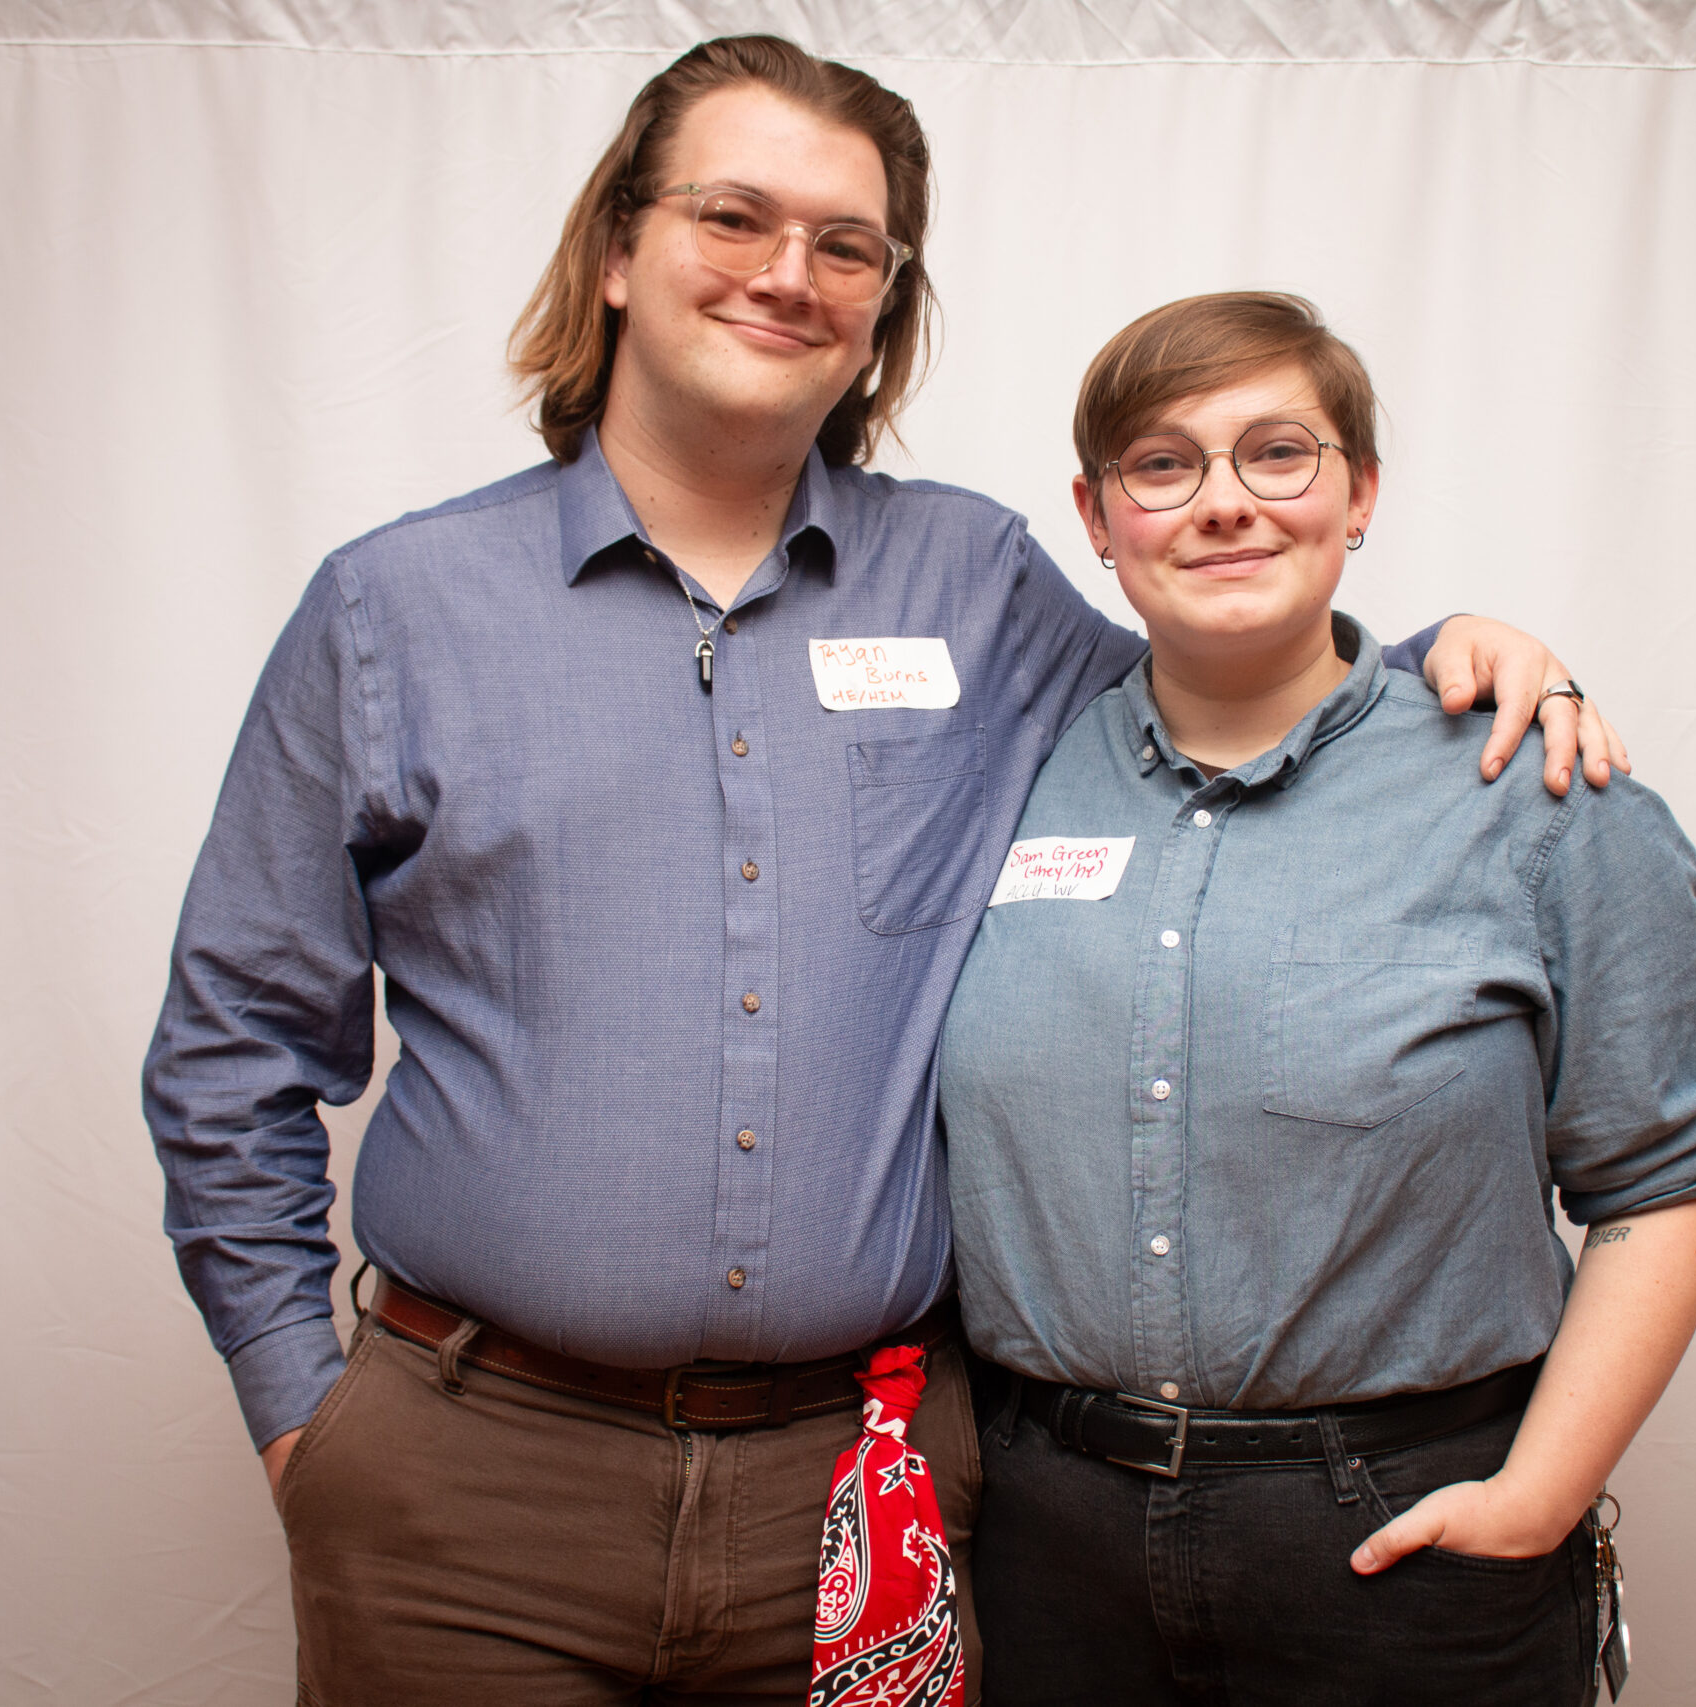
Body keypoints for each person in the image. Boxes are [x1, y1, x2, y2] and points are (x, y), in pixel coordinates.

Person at [142, 38, 1620, 1706]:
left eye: (847, 245)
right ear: (617, 250)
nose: (790, 274)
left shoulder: (974, 584)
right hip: (474, 1486)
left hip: (866, 1488)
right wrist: (304, 1422)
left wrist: (1445, 654)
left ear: (883, 304)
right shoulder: (393, 611)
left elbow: (1226, 680)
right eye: (736, 217)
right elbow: (232, 1052)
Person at [939, 291, 1696, 1705]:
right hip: (1041, 1539)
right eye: (1164, 465)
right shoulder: (996, 772)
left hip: (1401, 1540)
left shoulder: (1537, 797)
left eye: (1278, 454)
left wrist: (1539, 1500)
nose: (1223, 504)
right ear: (1098, 514)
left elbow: (1658, 1184)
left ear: (1360, 490)